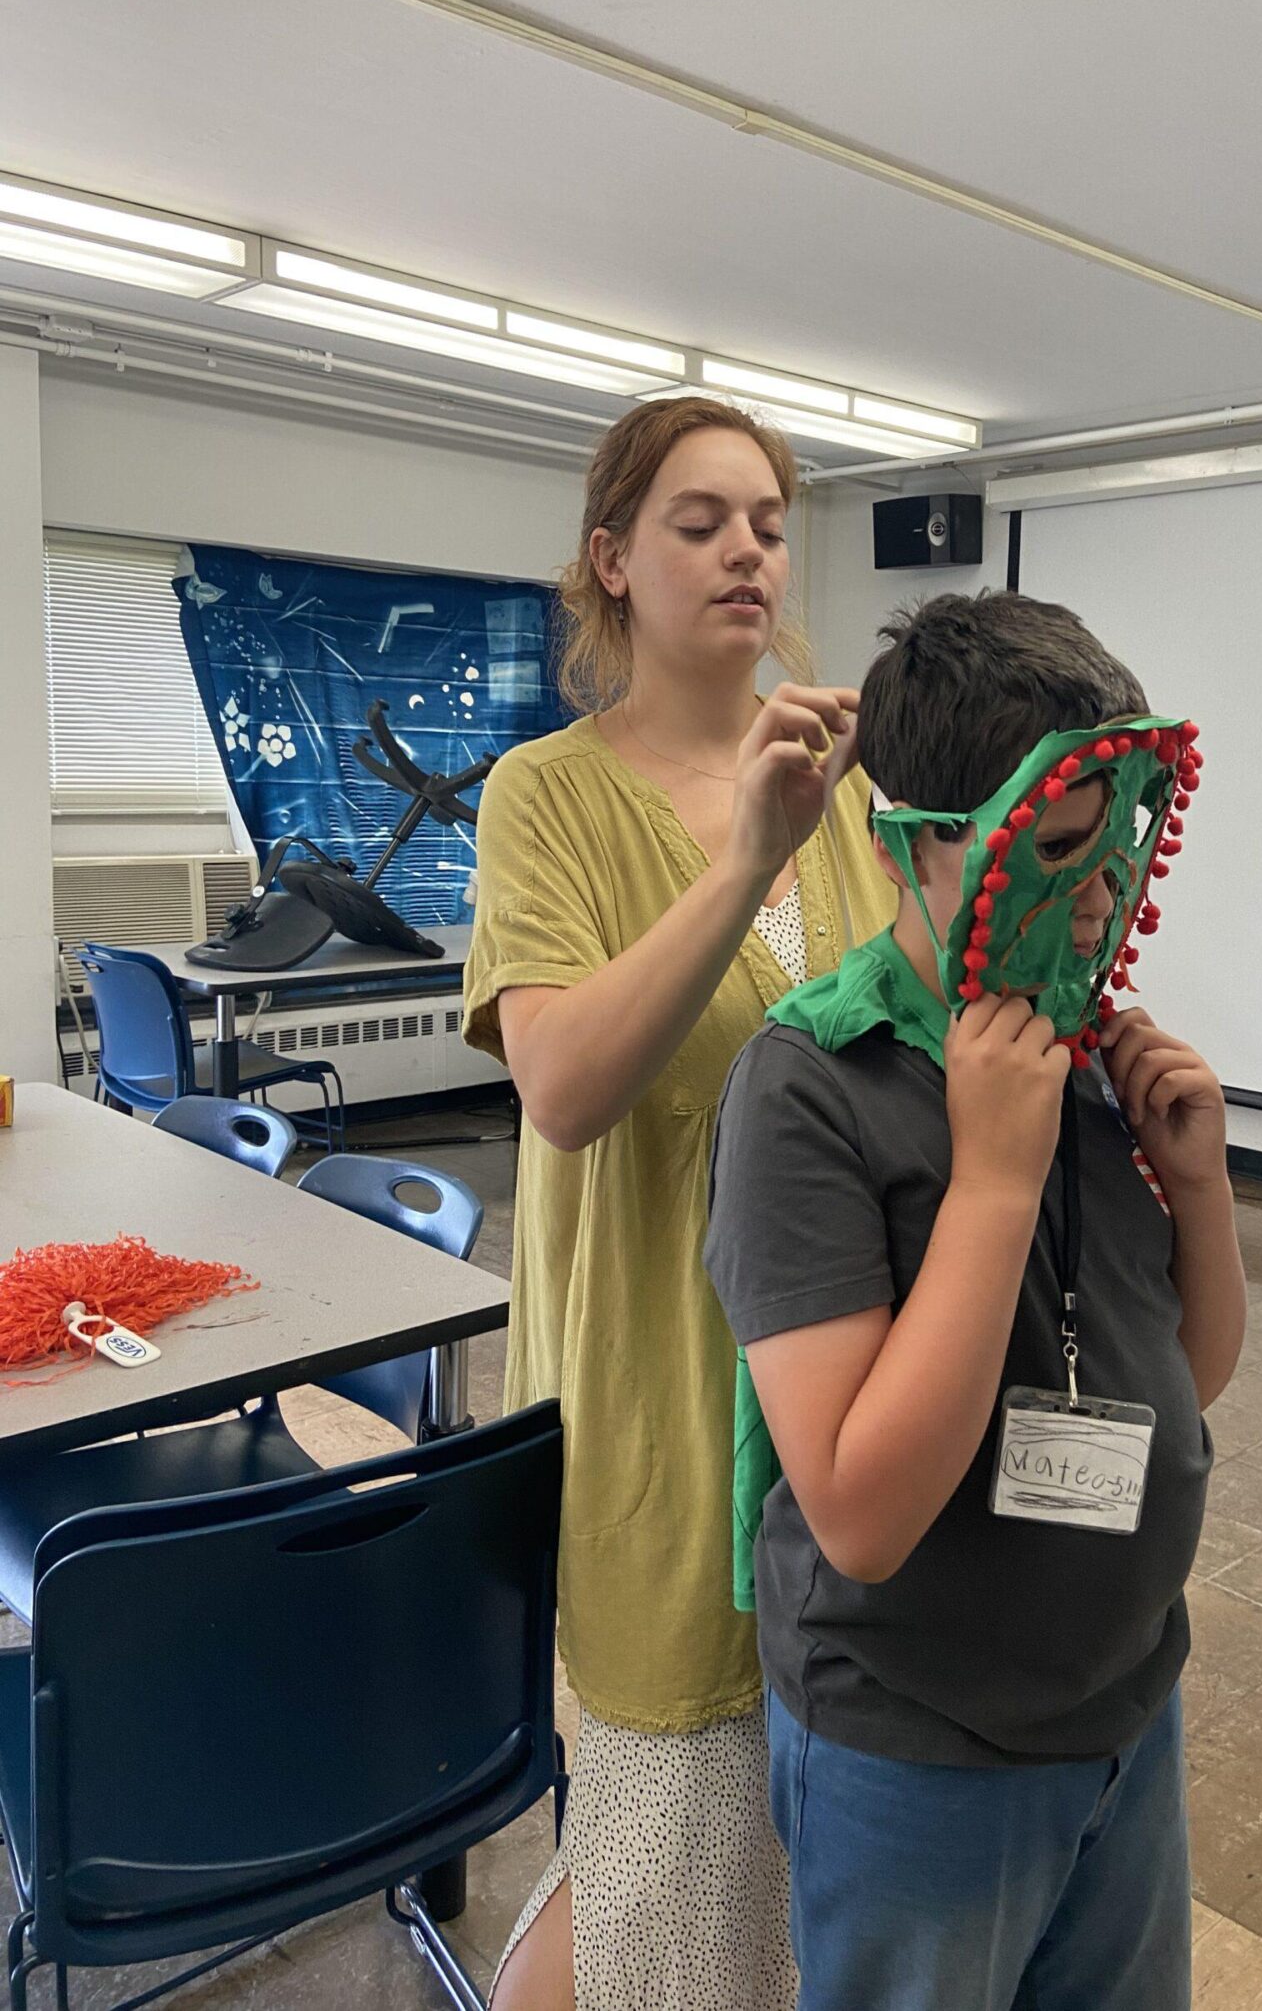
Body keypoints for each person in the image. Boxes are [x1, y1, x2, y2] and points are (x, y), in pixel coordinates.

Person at [705, 590, 1246, 2011]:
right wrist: (995, 1184)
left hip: (1120, 1703)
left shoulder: (1070, 1036)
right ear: (917, 842)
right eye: (1054, 852)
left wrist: (1201, 1192)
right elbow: (863, 1514)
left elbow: (1186, 1374)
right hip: (918, 1748)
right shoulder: (809, 1086)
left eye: (1113, 850)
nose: (1094, 900)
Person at [463, 397, 895, 2011]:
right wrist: (739, 865)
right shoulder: (546, 797)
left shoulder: (844, 794)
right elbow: (565, 1085)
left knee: (745, 1866)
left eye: (770, 522)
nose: (746, 550)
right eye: (701, 520)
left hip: (831, 1401)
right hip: (659, 1398)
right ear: (613, 561)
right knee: (673, 1846)